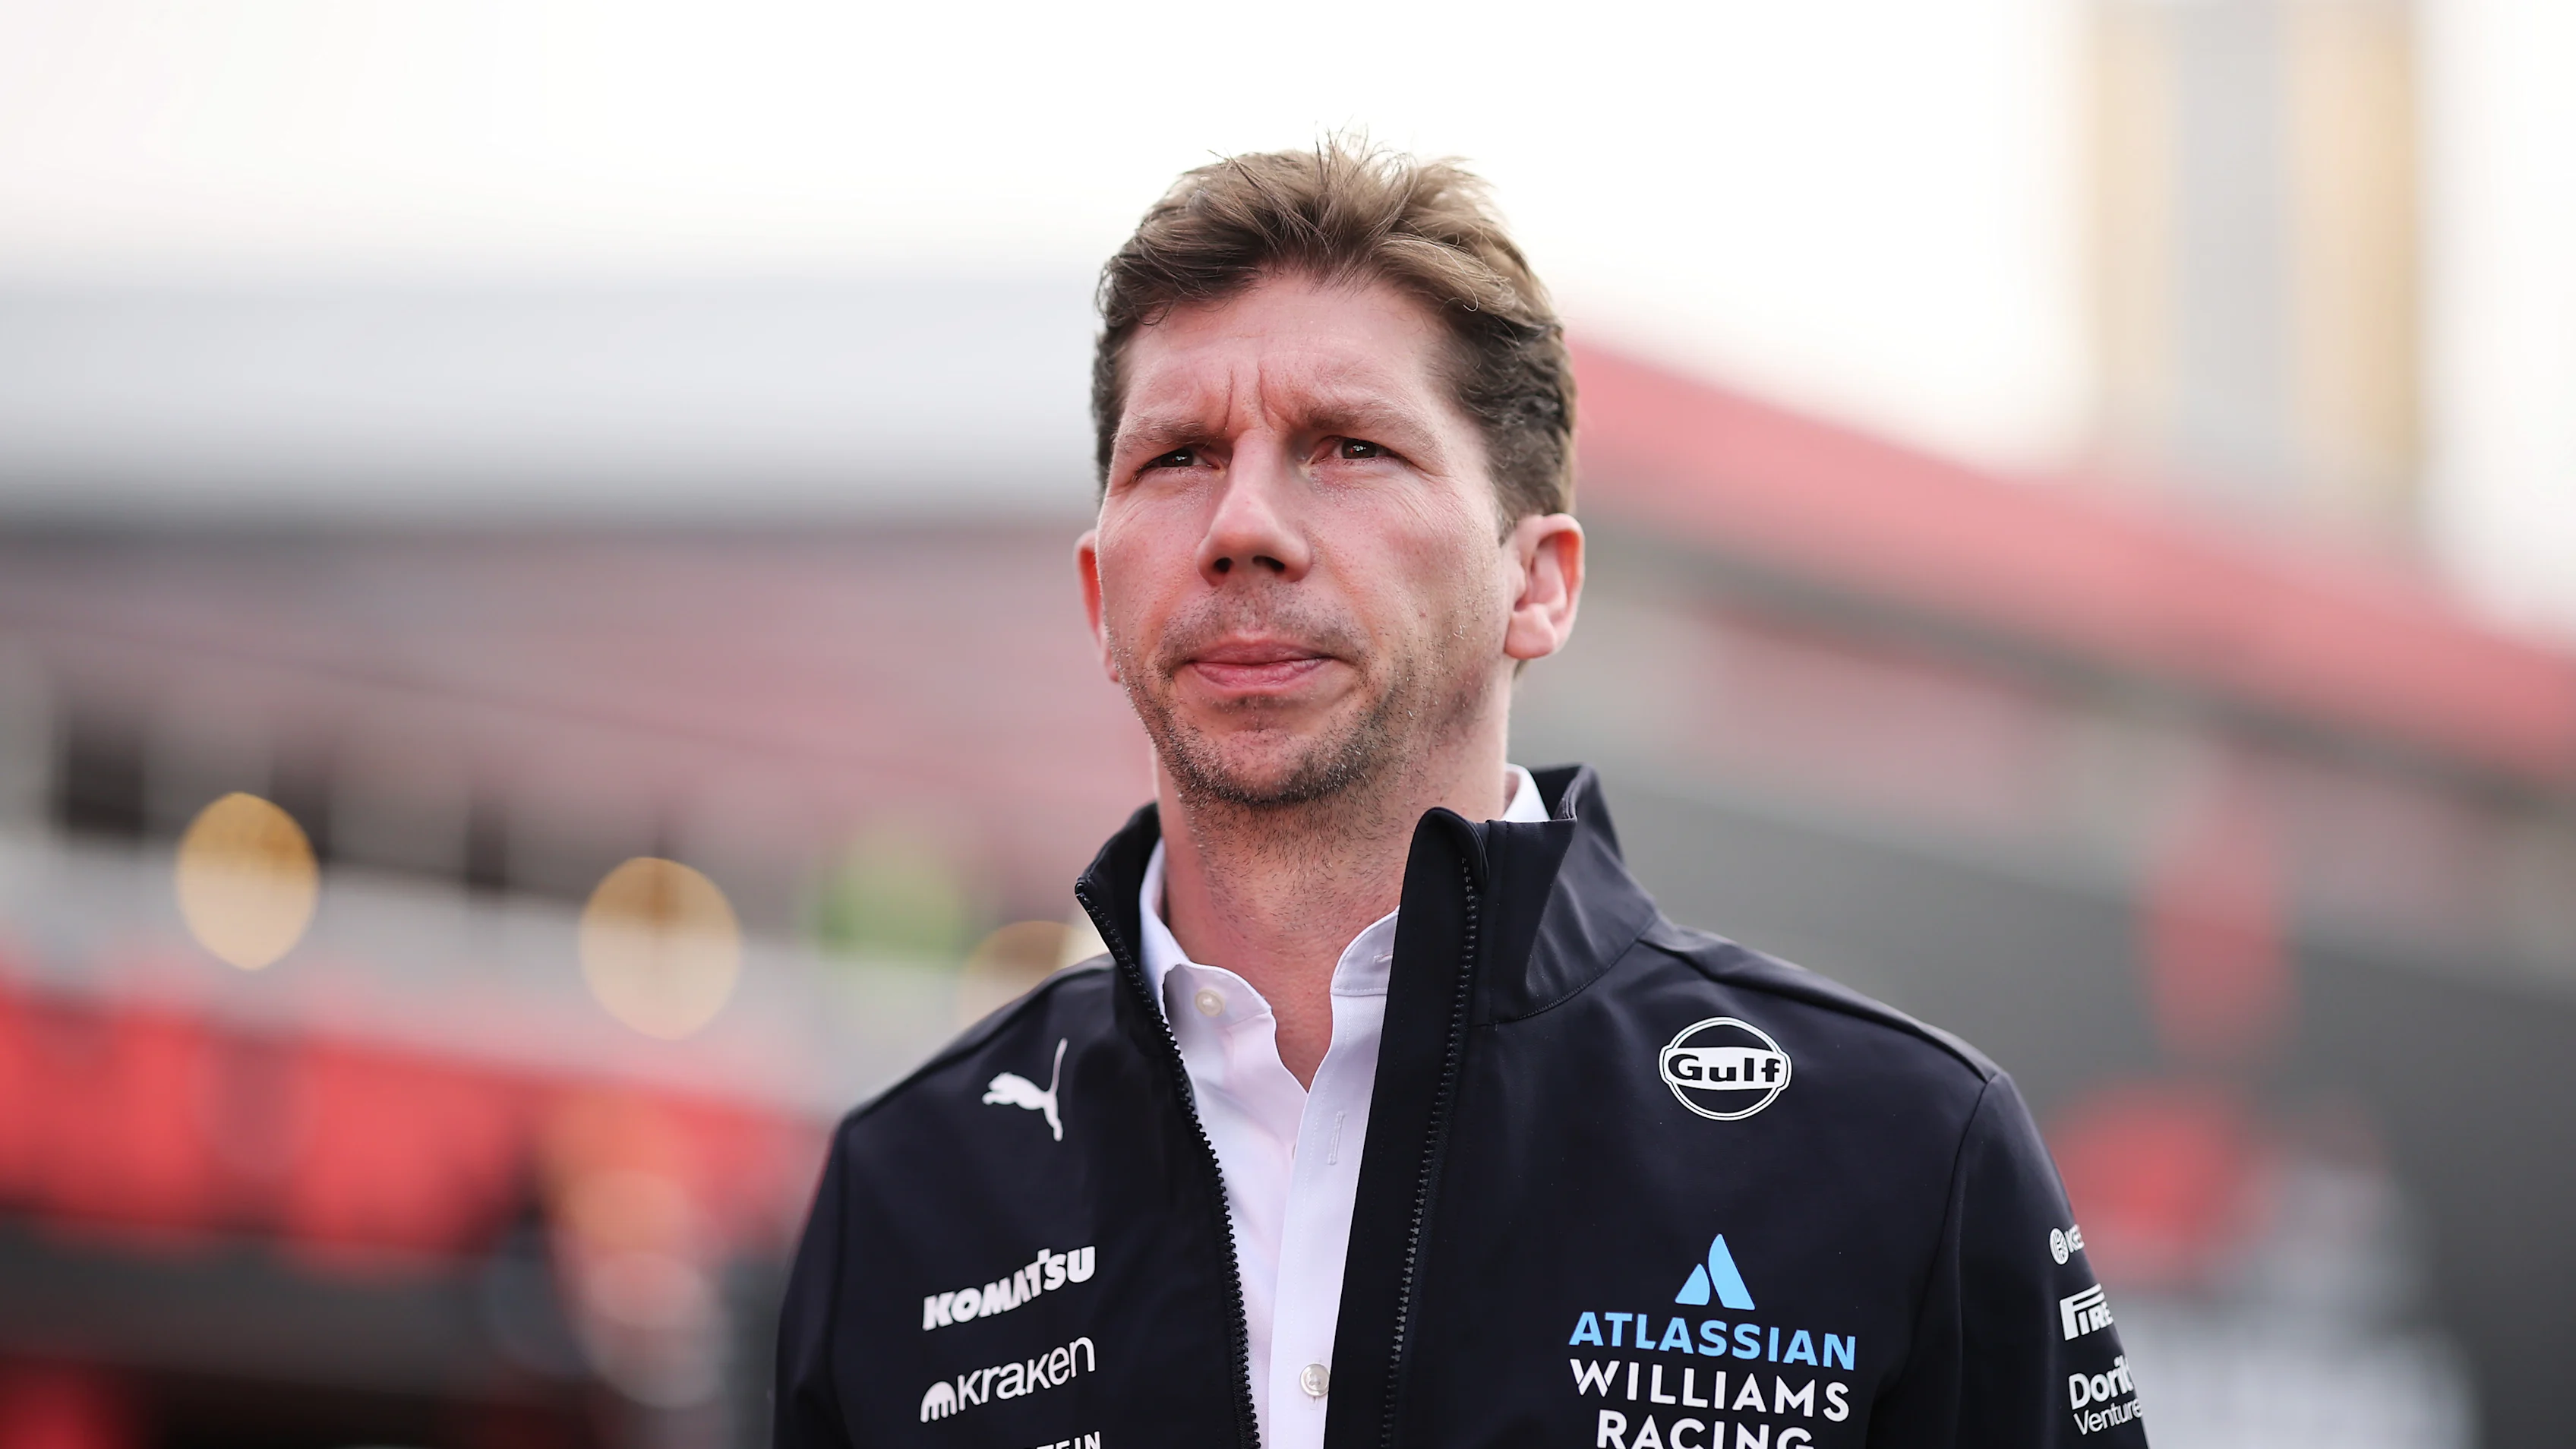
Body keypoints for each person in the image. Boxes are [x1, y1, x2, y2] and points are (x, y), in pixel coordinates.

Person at [775, 140, 2147, 1449]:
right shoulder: (907, 1186)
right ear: (1098, 595)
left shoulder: (1901, 1150)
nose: (1242, 525)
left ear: (1537, 583)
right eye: (1177, 457)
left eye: (1349, 447)